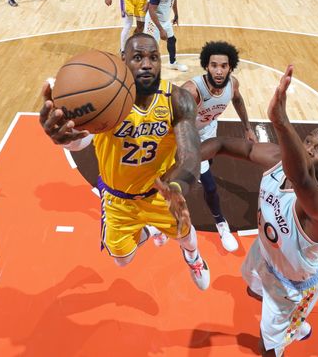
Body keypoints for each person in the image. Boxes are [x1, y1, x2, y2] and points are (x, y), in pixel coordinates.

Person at [39, 33, 210, 289]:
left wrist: (177, 188)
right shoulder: (107, 101)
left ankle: (193, 258)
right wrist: (64, 138)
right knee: (122, 259)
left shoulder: (177, 100)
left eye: (153, 57)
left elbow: (191, 153)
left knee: (186, 236)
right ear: (123, 60)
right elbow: (81, 140)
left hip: (161, 194)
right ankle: (152, 230)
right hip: (118, 199)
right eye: (138, 57)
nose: (147, 64)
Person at [200, 66, 318, 356]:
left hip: (291, 286)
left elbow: (303, 181)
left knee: (267, 349)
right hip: (264, 253)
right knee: (252, 290)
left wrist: (280, 122)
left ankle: (295, 322)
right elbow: (220, 144)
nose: (308, 150)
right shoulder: (279, 159)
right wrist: (189, 158)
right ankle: (295, 323)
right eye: (307, 142)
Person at [180, 41, 256, 252]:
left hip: (209, 130)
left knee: (206, 166)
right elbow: (174, 120)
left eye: (224, 66)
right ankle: (221, 223)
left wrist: (247, 128)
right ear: (206, 66)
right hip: (187, 135)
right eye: (214, 65)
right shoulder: (192, 91)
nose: (219, 70)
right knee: (208, 185)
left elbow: (238, 101)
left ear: (231, 67)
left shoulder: (233, 84)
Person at [144, 0, 187, 72]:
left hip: (165, 20)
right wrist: (161, 29)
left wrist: (176, 14)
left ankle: (173, 63)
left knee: (172, 40)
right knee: (151, 47)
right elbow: (151, 10)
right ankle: (146, 70)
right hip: (153, 22)